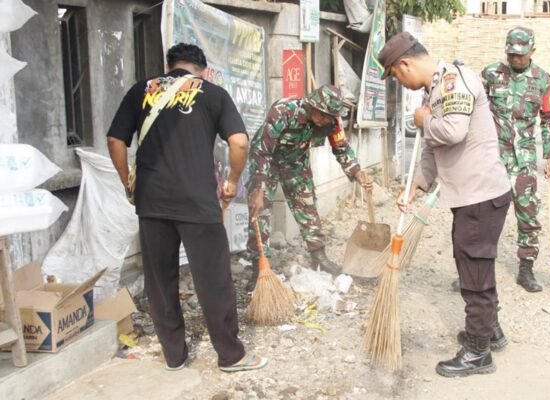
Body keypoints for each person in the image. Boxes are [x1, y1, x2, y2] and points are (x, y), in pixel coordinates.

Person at [107, 43, 267, 372]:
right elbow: (239, 142)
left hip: (151, 201)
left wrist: (127, 182)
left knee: (160, 281)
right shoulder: (213, 93)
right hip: (197, 201)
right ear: (202, 69)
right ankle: (230, 355)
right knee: (213, 278)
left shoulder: (141, 90)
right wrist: (233, 180)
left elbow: (115, 140)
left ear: (169, 67)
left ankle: (174, 356)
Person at [378, 32, 512, 377]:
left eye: (395, 75)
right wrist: (416, 186)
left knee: (474, 269)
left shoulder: (454, 80)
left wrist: (422, 120)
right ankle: (489, 329)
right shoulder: (432, 91)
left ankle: (478, 352)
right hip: (469, 195)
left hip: (480, 194)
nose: (399, 82)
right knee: (473, 264)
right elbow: (431, 149)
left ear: (405, 64)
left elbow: (451, 132)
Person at [246, 84, 372, 288]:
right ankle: (258, 266)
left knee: (308, 207)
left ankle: (318, 257)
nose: (327, 120)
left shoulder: (331, 122)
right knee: (259, 213)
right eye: (323, 114)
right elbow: (262, 150)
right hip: (266, 163)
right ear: (312, 105)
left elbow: (341, 148)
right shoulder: (284, 111)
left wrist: (356, 171)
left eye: (331, 116)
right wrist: (258, 187)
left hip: (296, 163)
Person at [481, 26, 550, 293]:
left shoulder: (542, 79)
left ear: (532, 51)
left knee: (527, 213)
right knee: (485, 213)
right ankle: (476, 270)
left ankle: (526, 269)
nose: (515, 59)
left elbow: (549, 118)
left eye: (521, 55)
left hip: (524, 158)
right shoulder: (491, 74)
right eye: (511, 54)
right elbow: (476, 111)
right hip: (493, 156)